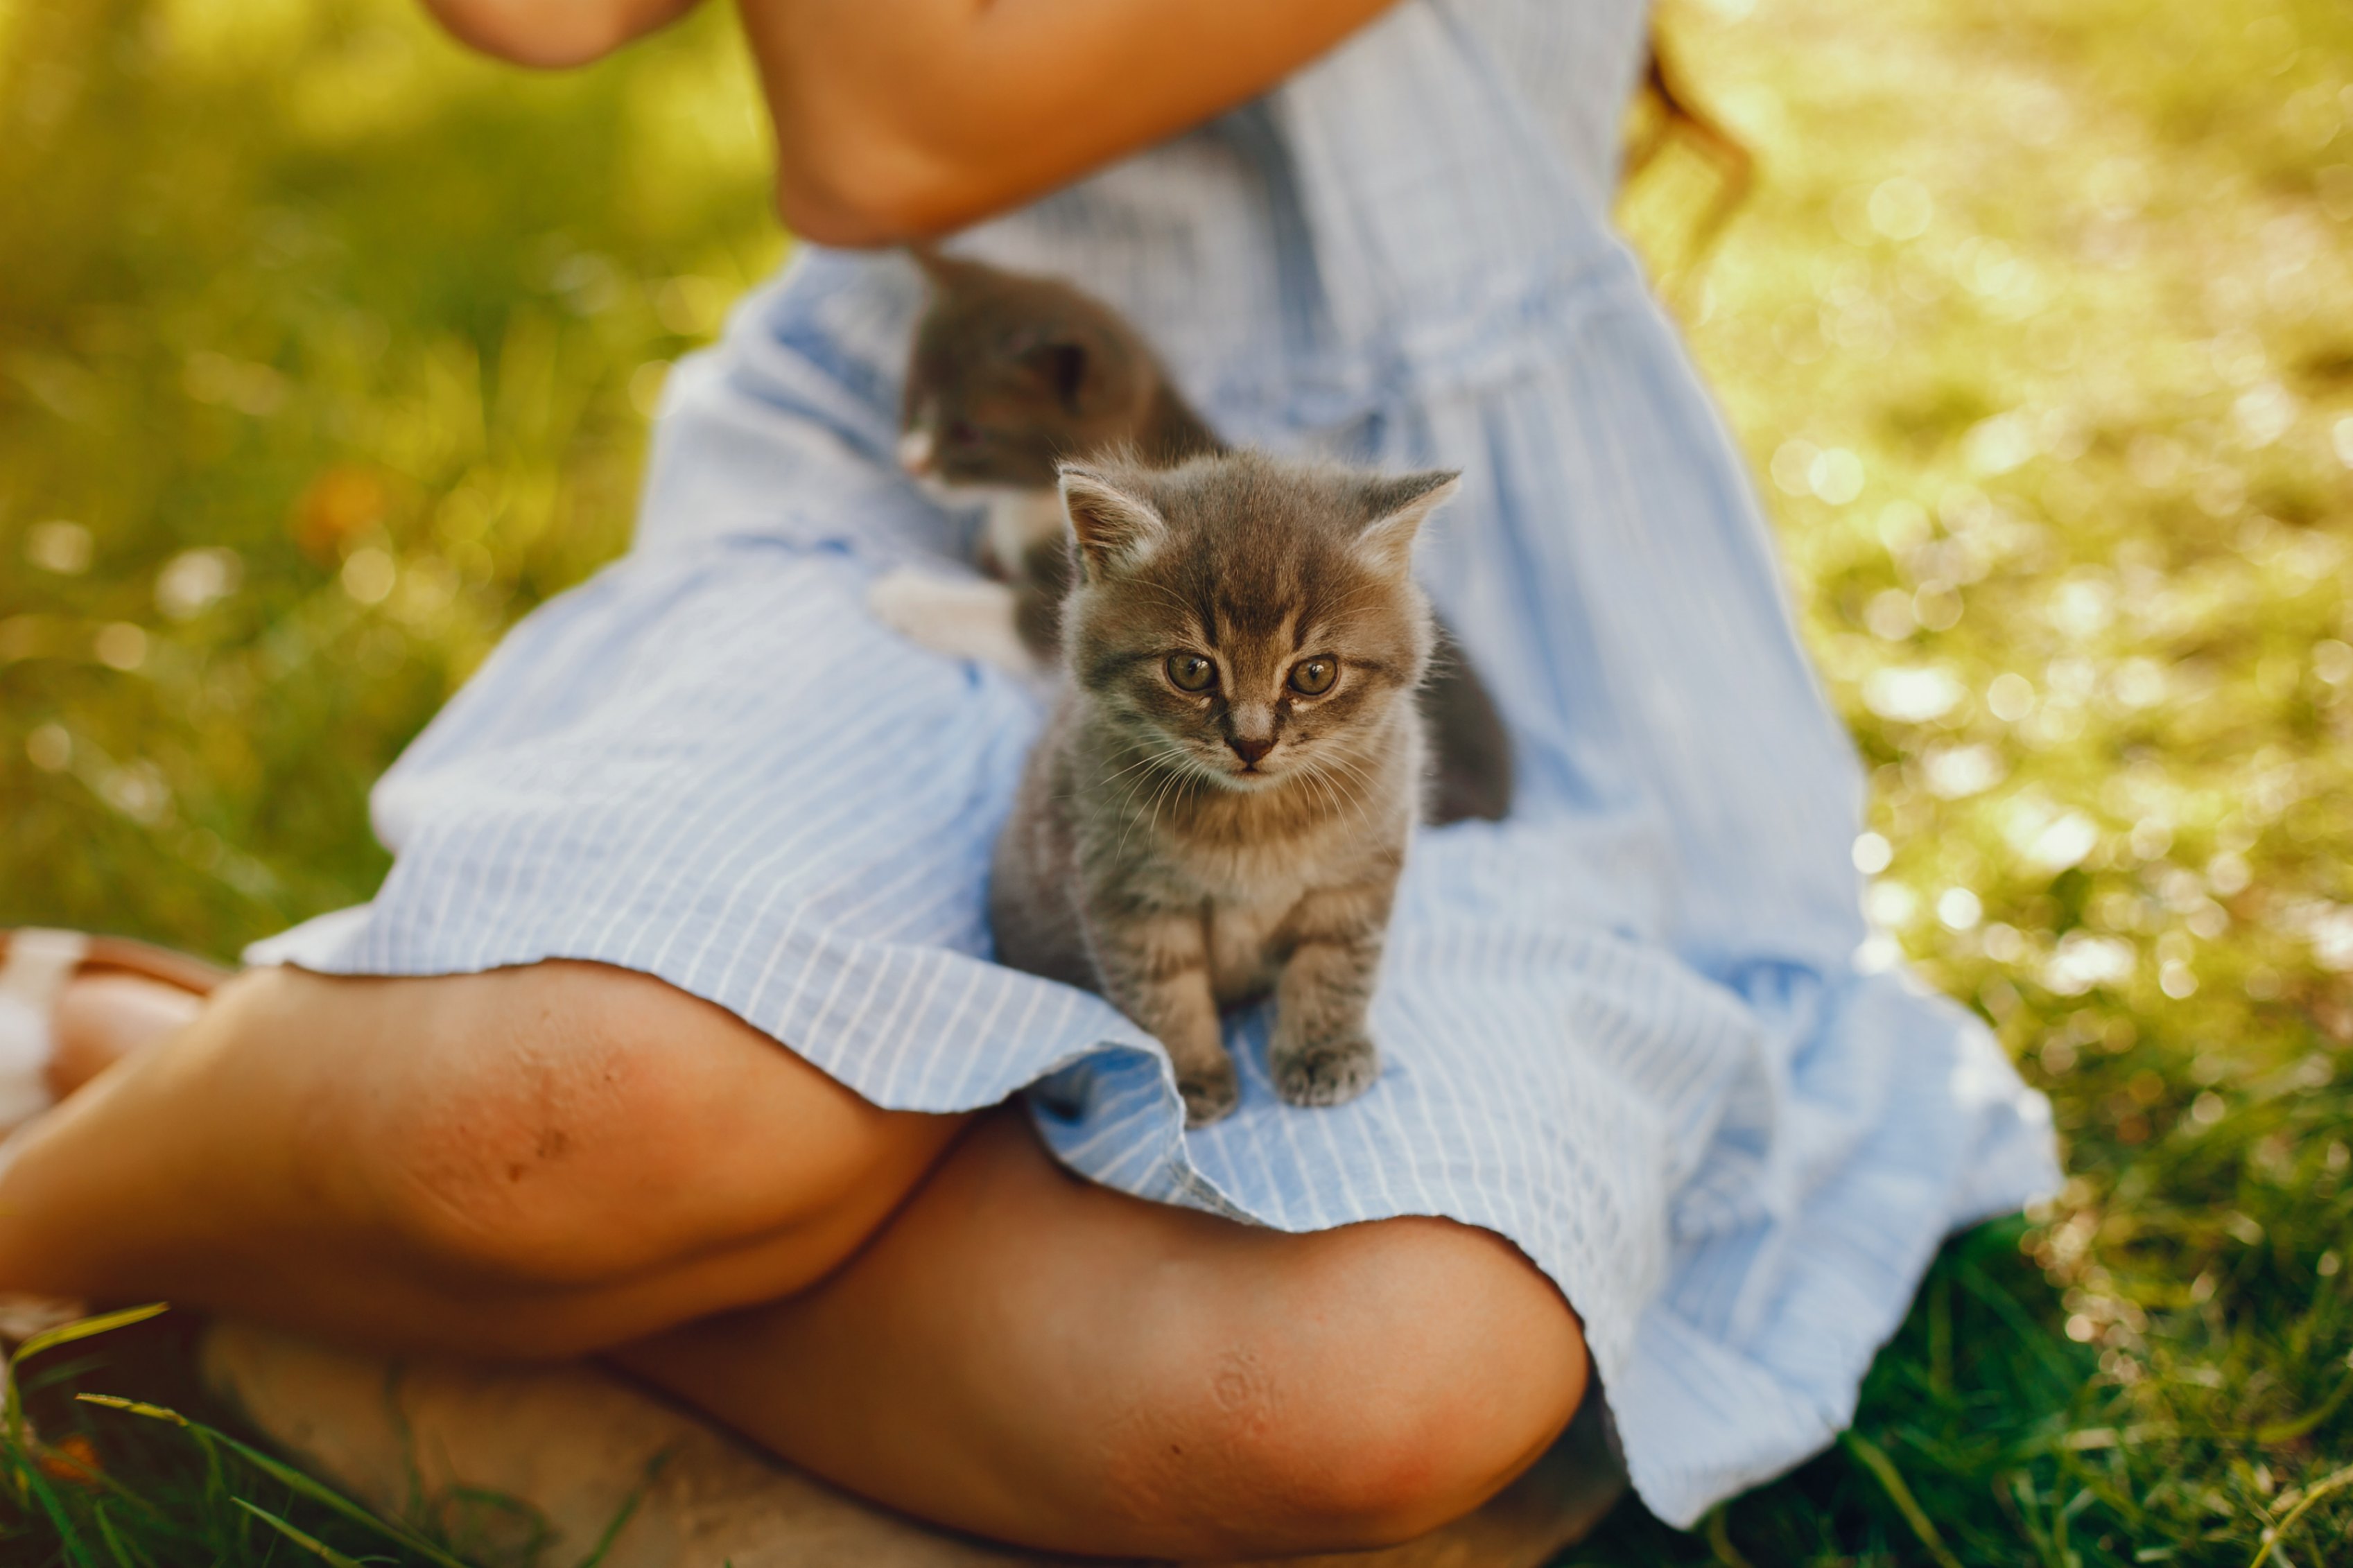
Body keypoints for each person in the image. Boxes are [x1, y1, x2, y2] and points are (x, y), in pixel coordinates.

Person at [0, 0, 2060, 1557]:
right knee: (587, 1111)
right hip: (920, 524)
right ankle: (95, 1223)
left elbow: (894, 121)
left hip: (1420, 638)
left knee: (1334, 1394)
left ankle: (254, 1173)